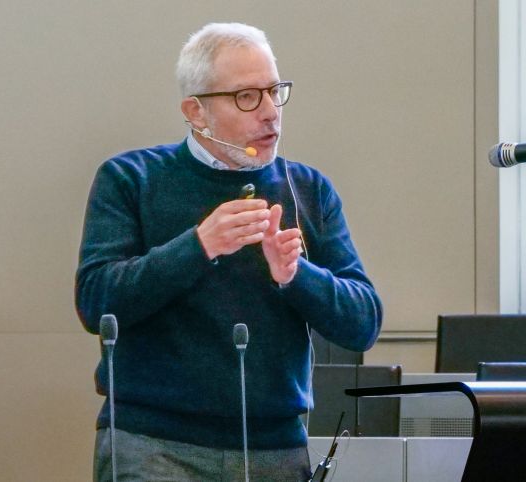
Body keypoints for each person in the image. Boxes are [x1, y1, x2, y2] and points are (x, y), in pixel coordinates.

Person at [75, 22, 383, 481]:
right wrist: (198, 246)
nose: (270, 114)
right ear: (195, 112)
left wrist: (297, 275)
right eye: (247, 97)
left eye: (275, 91)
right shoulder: (131, 178)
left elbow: (363, 323)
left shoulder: (309, 189)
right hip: (154, 446)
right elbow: (97, 301)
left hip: (274, 448)